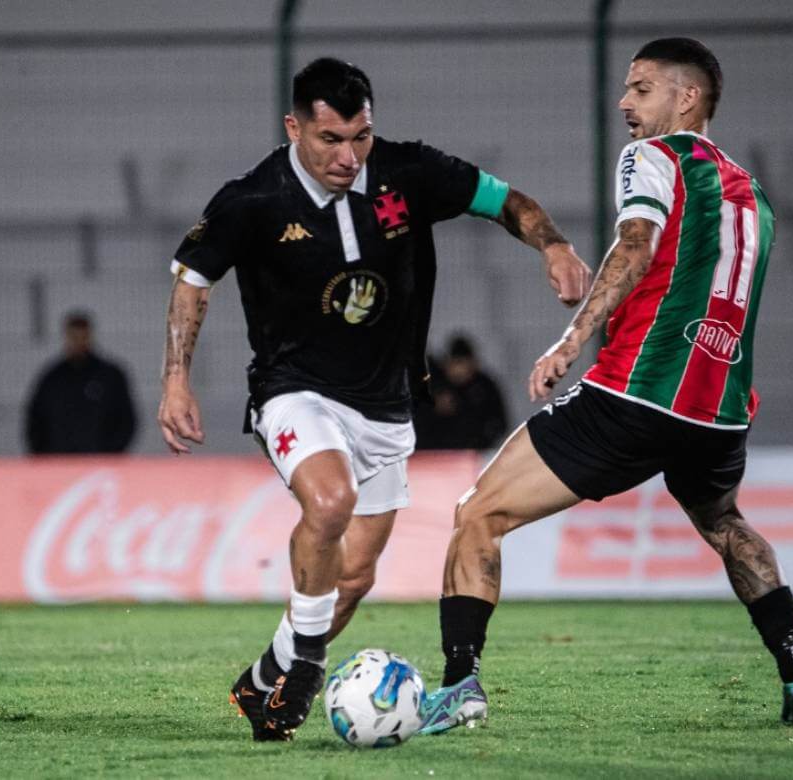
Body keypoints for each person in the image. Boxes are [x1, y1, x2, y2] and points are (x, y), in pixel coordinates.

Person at [157, 57, 590, 741]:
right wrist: (175, 377)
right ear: (294, 126)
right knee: (330, 504)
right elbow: (192, 280)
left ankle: (262, 680)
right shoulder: (253, 200)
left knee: (353, 575)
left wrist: (554, 245)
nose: (348, 156)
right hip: (293, 391)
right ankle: (305, 668)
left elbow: (506, 200)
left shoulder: (406, 171)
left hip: (388, 404)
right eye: (331, 140)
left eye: (360, 137)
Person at [418, 38, 793, 735]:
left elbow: (637, 245)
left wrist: (569, 341)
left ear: (687, 97)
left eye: (641, 88)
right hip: (721, 410)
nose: (625, 104)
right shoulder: (754, 194)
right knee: (725, 524)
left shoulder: (654, 158)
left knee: (477, 514)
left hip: (637, 394)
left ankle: (460, 683)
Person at [24, 311, 137, 454]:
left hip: (100, 461)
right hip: (59, 462)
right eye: (73, 337)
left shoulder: (110, 376)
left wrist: (112, 453)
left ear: (90, 336)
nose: (78, 343)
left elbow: (126, 420)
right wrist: (44, 457)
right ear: (66, 337)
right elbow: (35, 421)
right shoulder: (52, 378)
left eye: (82, 337)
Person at [414, 334, 508, 450]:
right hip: (433, 455)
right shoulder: (434, 384)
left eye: (461, 363)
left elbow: (498, 424)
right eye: (455, 363)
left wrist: (479, 445)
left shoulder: (485, 386)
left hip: (473, 454)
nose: (458, 369)